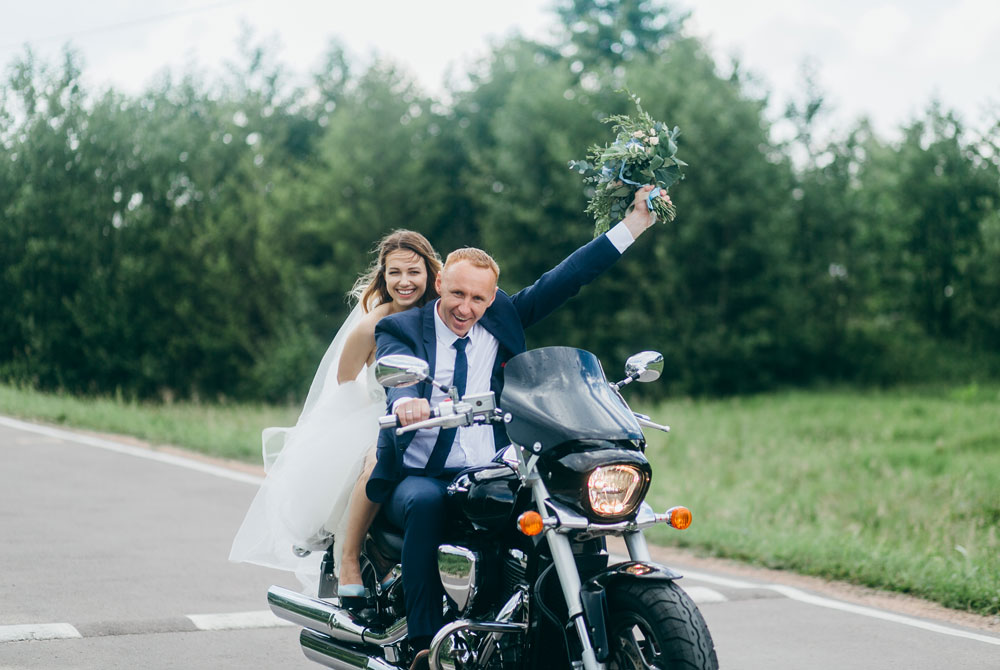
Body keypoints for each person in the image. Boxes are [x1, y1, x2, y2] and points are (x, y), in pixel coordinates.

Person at [368, 186, 668, 668]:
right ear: (441, 281)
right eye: (459, 293)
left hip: (490, 471)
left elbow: (569, 277)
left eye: (479, 298)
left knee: (561, 511)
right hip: (421, 474)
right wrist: (407, 400)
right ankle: (423, 644)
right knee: (425, 505)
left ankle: (551, 630)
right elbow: (394, 369)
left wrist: (634, 224)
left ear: (493, 297)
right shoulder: (403, 328)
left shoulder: (501, 316)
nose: (467, 308)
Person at [229, 230, 442, 598]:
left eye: (413, 272)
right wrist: (370, 418)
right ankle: (349, 558)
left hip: (437, 415)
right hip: (382, 415)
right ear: (383, 275)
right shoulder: (370, 325)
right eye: (395, 273)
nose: (404, 282)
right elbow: (346, 381)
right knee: (377, 462)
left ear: (430, 272)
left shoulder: (442, 313)